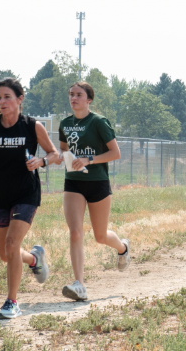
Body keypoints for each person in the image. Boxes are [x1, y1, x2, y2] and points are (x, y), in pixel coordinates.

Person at [0, 78, 60, 319]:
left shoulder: (33, 126)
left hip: (26, 193)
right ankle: (34, 258)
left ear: (19, 99)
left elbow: (55, 154)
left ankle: (12, 302)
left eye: (7, 97)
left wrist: (41, 161)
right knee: (5, 253)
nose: (2, 102)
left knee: (12, 244)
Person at [58, 82, 130, 302]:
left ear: (89, 99)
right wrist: (66, 158)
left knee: (100, 236)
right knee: (75, 232)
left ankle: (123, 248)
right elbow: (63, 149)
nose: (74, 98)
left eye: (79, 95)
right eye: (71, 94)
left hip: (98, 181)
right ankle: (79, 285)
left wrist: (89, 159)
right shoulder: (65, 123)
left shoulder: (98, 122)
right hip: (74, 182)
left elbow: (115, 153)